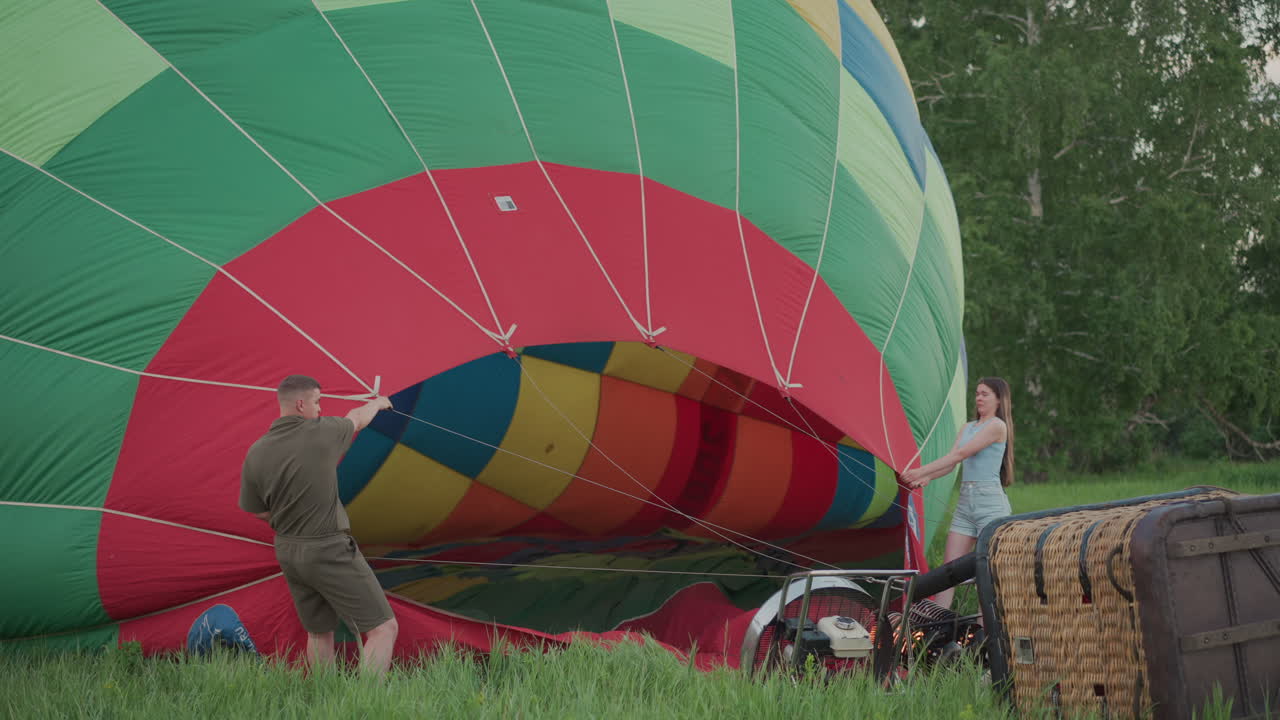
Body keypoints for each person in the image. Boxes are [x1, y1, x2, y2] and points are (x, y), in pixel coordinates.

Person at [239, 375, 399, 674]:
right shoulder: (322, 432)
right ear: (301, 404)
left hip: (288, 550)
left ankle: (325, 698)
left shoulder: (257, 450)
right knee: (383, 628)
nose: (320, 409)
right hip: (328, 548)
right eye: (317, 402)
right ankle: (367, 707)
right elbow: (357, 419)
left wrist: (291, 518)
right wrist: (377, 402)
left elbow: (257, 510)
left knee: (318, 631)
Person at [901, 376, 1015, 609]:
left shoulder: (996, 426)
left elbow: (960, 455)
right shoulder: (968, 427)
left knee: (987, 573)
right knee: (948, 572)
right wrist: (925, 478)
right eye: (977, 393)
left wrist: (920, 470)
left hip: (990, 505)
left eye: (985, 394)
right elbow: (952, 464)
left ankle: (986, 637)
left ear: (998, 400)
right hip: (966, 504)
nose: (979, 398)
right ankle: (937, 630)